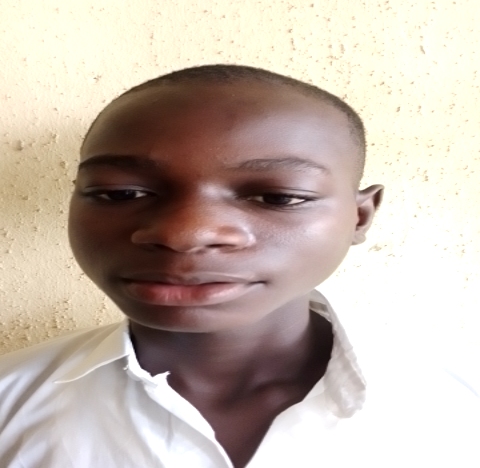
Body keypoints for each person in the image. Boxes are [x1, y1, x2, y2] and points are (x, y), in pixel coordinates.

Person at [0, 65, 478, 468]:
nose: (185, 233)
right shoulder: (10, 404)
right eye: (121, 193)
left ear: (360, 216)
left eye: (278, 197)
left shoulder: (461, 404)